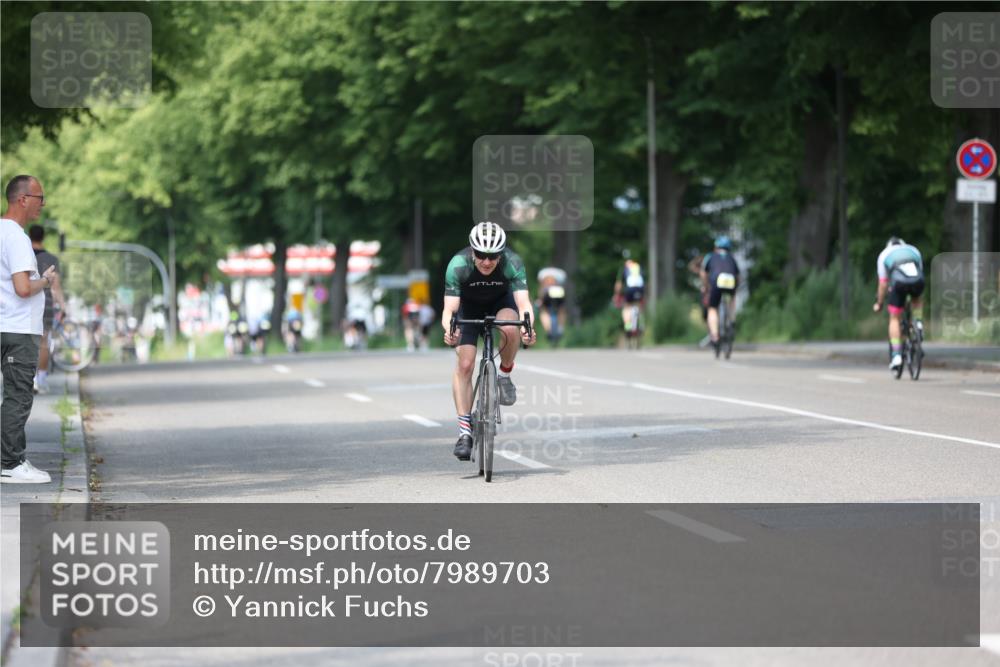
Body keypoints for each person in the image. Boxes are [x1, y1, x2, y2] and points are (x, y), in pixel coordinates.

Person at [441, 222, 536, 461]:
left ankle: (504, 375)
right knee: (465, 365)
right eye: (481, 255)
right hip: (468, 309)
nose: (486, 261)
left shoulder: (512, 263)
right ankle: (465, 432)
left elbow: (524, 305)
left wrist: (528, 329)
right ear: (472, 251)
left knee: (509, 327)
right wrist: (449, 330)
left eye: (492, 256)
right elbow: (449, 310)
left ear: (500, 254)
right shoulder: (458, 265)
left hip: (501, 303)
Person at [2, 175, 58, 484]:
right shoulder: (17, 237)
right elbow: (23, 288)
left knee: (9, 396)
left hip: (4, 323)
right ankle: (11, 463)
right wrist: (46, 281)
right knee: (18, 396)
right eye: (39, 198)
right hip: (19, 328)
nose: (42, 204)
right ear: (23, 199)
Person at [872, 237, 924, 371]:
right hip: (917, 281)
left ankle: (896, 356)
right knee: (916, 299)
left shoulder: (884, 255)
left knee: (894, 318)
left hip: (899, 284)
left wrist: (879, 302)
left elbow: (883, 283)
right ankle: (918, 323)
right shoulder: (913, 250)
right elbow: (918, 273)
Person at [29, 224, 67, 393]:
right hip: (46, 303)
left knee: (26, 342)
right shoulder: (51, 259)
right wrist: (63, 306)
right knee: (44, 342)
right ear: (43, 237)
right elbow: (56, 286)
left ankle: (28, 379)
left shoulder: (24, 255)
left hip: (26, 301)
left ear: (29, 236)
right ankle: (41, 380)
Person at [700, 236, 740, 352]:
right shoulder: (732, 258)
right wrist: (736, 288)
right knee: (732, 299)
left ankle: (715, 335)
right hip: (731, 281)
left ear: (716, 247)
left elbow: (703, 273)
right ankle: (731, 319)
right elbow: (738, 275)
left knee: (712, 309)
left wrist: (706, 286)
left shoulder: (710, 256)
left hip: (716, 281)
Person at [612, 249, 645, 337]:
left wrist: (617, 295)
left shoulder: (625, 268)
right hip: (640, 289)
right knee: (638, 305)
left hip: (630, 290)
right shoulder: (638, 266)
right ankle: (640, 324)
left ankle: (628, 327)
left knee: (626, 308)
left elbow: (618, 285)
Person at [536, 266, 568, 345]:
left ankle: (549, 330)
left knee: (543, 311)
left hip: (546, 293)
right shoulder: (561, 273)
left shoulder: (542, 273)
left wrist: (540, 300)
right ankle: (560, 328)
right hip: (558, 292)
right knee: (561, 309)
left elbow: (541, 288)